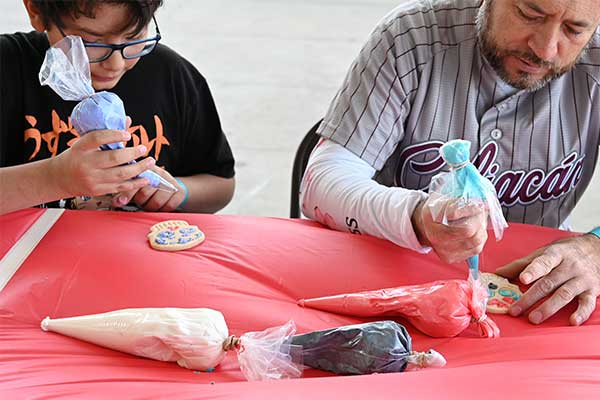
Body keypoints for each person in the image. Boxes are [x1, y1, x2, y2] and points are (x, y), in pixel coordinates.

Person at [300, 0, 600, 326]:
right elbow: (322, 182)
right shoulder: (411, 37)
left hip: (540, 297)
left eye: (574, 30)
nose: (544, 49)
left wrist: (596, 250)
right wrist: (416, 217)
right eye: (530, 14)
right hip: (394, 289)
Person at [0, 0, 235, 215]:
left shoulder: (170, 75)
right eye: (91, 41)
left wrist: (179, 191)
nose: (115, 63)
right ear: (36, 10)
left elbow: (221, 184)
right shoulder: (8, 69)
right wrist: (53, 179)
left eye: (133, 37)